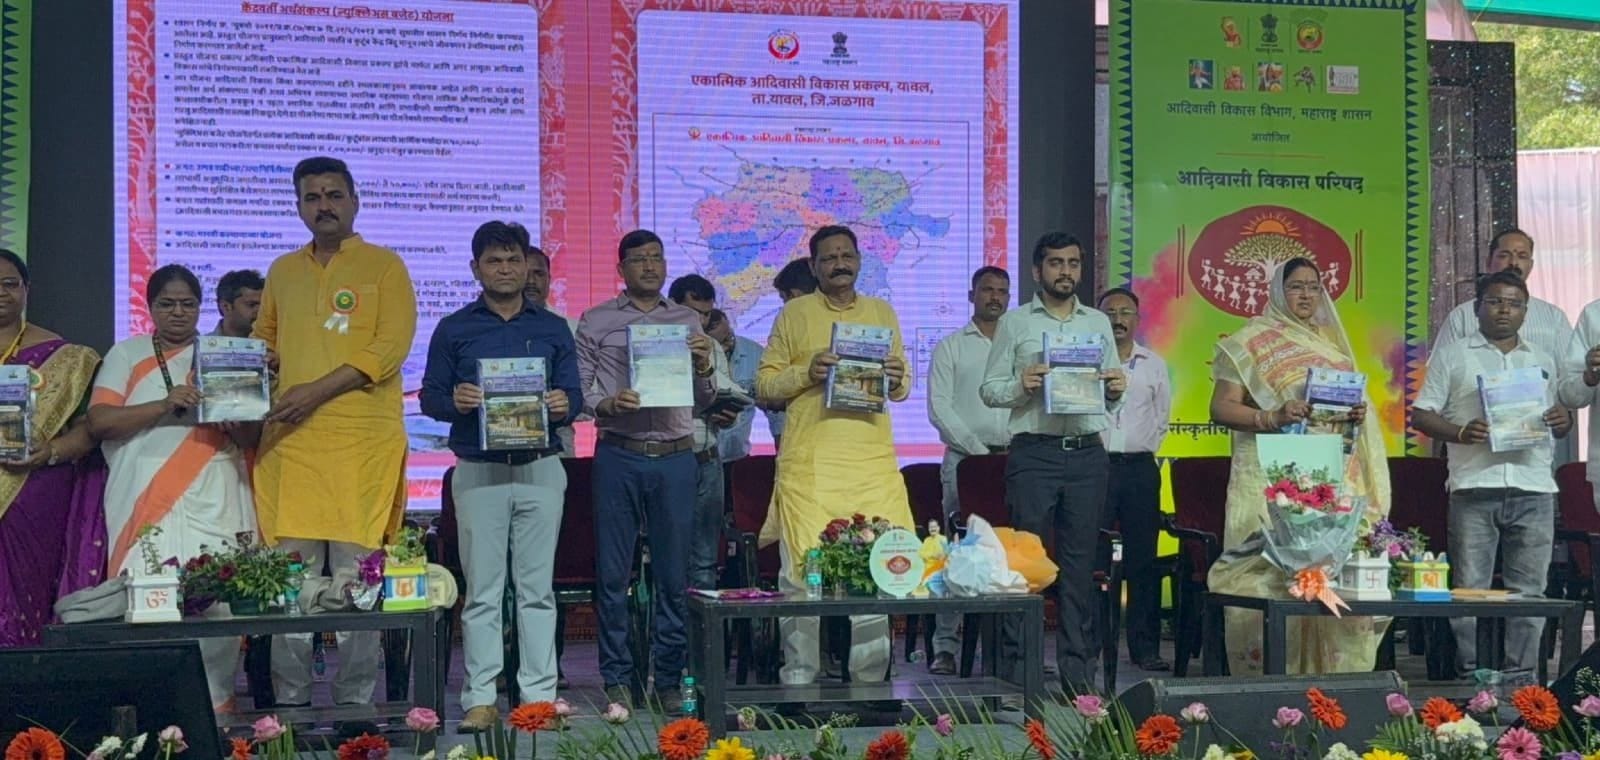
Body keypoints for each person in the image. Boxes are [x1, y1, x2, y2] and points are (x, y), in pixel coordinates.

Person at [255, 157, 418, 717]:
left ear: (355, 201)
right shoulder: (282, 270)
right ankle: (289, 709)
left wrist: (315, 390)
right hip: (291, 446)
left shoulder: (384, 266)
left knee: (357, 580)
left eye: (333, 194)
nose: (323, 205)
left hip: (361, 446)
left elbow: (388, 349)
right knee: (289, 583)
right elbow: (264, 341)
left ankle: (354, 707)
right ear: (298, 206)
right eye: (312, 197)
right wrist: (254, 367)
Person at [421, 221, 581, 730]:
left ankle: (538, 699)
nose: (505, 269)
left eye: (514, 260)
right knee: (483, 591)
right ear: (476, 269)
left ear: (527, 266)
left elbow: (576, 396)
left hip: (540, 468)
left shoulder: (553, 327)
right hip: (478, 471)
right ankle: (480, 699)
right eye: (494, 261)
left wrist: (564, 404)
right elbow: (429, 398)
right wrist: (456, 400)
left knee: (537, 591)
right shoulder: (454, 328)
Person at [1206, 257, 1390, 675]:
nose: (1306, 295)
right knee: (1267, 577)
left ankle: (1334, 686)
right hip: (1270, 477)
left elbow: (1338, 414)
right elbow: (1220, 408)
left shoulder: (1332, 348)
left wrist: (1355, 415)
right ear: (1277, 291)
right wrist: (1272, 416)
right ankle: (1270, 685)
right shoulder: (1249, 342)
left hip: (1328, 477)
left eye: (1313, 287)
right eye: (1296, 287)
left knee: (1333, 573)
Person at [88, 264, 260, 709]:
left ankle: (217, 710)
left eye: (187, 304)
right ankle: (149, 712)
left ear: (202, 308)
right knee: (146, 597)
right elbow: (100, 422)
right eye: (167, 304)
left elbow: (250, 438)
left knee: (219, 600)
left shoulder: (224, 355)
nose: (178, 312)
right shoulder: (126, 354)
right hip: (142, 491)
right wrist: (164, 405)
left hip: (216, 488)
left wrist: (233, 416)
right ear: (150, 307)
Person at [756, 224, 912, 695]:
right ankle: (799, 685)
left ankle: (870, 689)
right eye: (829, 258)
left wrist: (896, 376)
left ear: (859, 261)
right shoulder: (794, 314)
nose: (839, 264)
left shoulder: (882, 312)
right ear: (814, 266)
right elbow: (765, 386)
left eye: (847, 255)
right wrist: (807, 371)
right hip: (811, 470)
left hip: (870, 466)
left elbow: (902, 387)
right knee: (802, 579)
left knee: (877, 573)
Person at [576, 229, 717, 710]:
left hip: (676, 457)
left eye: (657, 257)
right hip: (619, 453)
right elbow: (580, 391)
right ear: (621, 269)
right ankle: (617, 678)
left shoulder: (686, 320)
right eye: (639, 259)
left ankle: (670, 679)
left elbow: (705, 400)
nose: (650, 266)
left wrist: (704, 368)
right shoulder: (596, 320)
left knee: (674, 577)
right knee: (613, 576)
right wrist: (607, 403)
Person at [980, 233, 1125, 694]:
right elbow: (990, 390)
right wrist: (1021, 384)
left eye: (1073, 263)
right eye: (1056, 263)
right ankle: (1020, 672)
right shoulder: (1015, 322)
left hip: (1087, 453)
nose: (1066, 271)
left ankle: (1078, 676)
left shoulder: (1098, 322)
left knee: (1080, 567)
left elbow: (1111, 393)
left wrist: (1116, 390)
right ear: (1037, 270)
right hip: (1034, 453)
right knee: (1026, 564)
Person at [1414, 270, 1568, 687]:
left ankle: (1520, 682)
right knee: (1470, 590)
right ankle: (1472, 679)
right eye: (1495, 301)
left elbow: (1559, 419)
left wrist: (1563, 420)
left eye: (1514, 304)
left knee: (1529, 593)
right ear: (1476, 308)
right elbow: (1422, 415)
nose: (1504, 310)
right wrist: (1461, 432)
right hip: (1474, 486)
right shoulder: (1454, 355)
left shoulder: (1542, 358)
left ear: (1525, 311)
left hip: (1534, 487)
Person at [0, 250, 106, 648]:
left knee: (31, 593)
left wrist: (49, 452)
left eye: (10, 284)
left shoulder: (65, 358)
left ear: (27, 289)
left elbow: (87, 431)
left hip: (36, 490)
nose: (1, 293)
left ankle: (28, 678)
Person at [925, 266, 1012, 675]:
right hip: (965, 463)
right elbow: (939, 409)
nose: (995, 297)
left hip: (1017, 461)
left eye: (1002, 291)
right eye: (987, 290)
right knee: (956, 554)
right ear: (971, 295)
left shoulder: (1020, 345)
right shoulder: (951, 347)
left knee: (1015, 553)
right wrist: (980, 455)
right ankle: (945, 646)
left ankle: (1013, 648)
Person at [1434, 229, 1573, 463]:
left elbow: (1568, 381)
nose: (1513, 263)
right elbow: (1437, 382)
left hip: (1533, 453)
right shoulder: (1462, 315)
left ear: (1531, 264)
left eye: (1522, 256)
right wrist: (1461, 430)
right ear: (1489, 262)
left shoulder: (1553, 318)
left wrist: (1564, 416)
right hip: (1472, 454)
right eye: (1504, 255)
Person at [1096, 287, 1172, 672]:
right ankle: (1092, 646)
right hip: (1096, 467)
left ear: (1137, 320)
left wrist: (1142, 448)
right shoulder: (1088, 362)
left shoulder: (1154, 364)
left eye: (1125, 312)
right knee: (1094, 558)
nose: (1118, 319)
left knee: (1144, 559)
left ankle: (1145, 648)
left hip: (1141, 469)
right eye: (1110, 312)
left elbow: (1162, 418)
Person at [667, 274, 738, 592]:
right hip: (670, 457)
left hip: (708, 458)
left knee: (706, 558)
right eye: (694, 312)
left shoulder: (713, 347)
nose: (701, 321)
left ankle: (704, 625)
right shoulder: (656, 344)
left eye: (707, 314)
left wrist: (728, 414)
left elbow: (727, 391)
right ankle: (672, 624)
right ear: (672, 306)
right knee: (671, 555)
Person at [765, 259, 818, 450]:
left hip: (802, 438)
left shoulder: (788, 325)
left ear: (794, 295)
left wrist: (772, 400)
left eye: (783, 299)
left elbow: (771, 389)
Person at [213, 270, 265, 338]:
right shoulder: (201, 344)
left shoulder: (274, 343)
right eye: (252, 305)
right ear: (226, 307)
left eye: (263, 305)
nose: (260, 310)